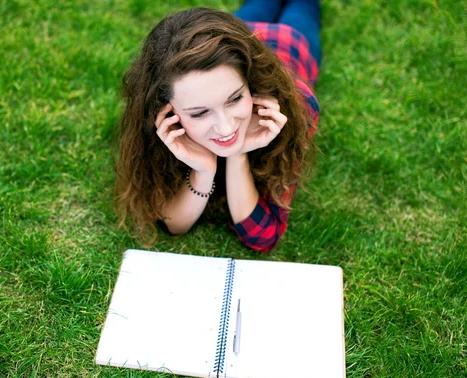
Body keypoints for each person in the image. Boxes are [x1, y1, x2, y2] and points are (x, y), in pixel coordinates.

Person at [115, 0, 321, 252]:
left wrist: (237, 154)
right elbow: (175, 226)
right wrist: (203, 171)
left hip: (289, 44)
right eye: (200, 113)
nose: (225, 129)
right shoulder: (156, 125)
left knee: (303, 6)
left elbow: (264, 236)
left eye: (235, 98)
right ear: (167, 111)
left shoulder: (298, 108)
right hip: (233, 35)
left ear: (250, 83)